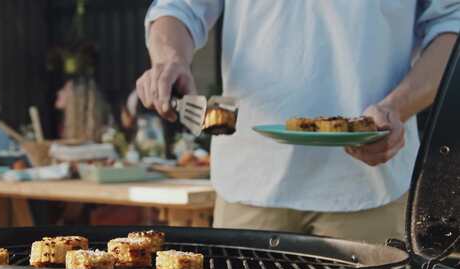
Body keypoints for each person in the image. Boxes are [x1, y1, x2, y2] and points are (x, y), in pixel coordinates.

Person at [137, 1, 460, 244]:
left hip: (371, 185)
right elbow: (178, 7)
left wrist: (397, 107)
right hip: (251, 183)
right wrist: (170, 60)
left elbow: (451, 22)